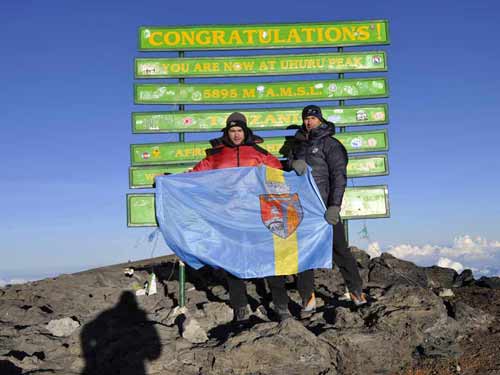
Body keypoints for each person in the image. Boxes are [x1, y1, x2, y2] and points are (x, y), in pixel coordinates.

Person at [192, 112, 291, 322]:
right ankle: (240, 307)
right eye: (232, 131)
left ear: (245, 132)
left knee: (270, 258)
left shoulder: (258, 153)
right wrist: (168, 180)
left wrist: (295, 168)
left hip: (257, 214)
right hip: (229, 216)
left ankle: (281, 305)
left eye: (239, 130)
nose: (236, 135)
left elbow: (280, 173)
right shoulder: (216, 156)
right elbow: (195, 176)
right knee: (233, 261)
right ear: (227, 132)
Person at [285, 105, 367, 318]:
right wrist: (293, 162)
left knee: (341, 251)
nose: (308, 122)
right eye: (305, 118)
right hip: (303, 209)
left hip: (324, 208)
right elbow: (287, 169)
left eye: (312, 118)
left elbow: (339, 177)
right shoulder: (297, 145)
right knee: (303, 254)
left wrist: (334, 206)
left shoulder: (331, 144)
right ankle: (308, 299)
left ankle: (357, 293)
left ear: (320, 120)